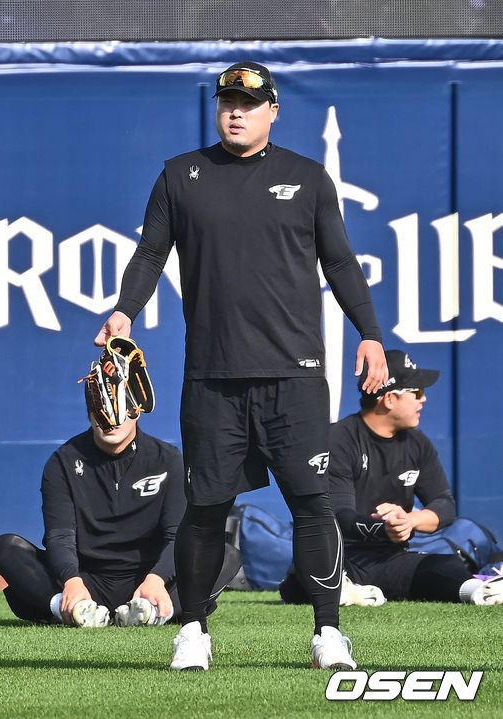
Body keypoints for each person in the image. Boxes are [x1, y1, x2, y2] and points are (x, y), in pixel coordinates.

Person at [94, 61, 388, 670]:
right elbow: (151, 252)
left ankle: (328, 633)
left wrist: (371, 336)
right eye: (228, 100)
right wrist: (125, 311)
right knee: (206, 507)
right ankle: (194, 630)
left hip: (295, 373)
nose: (236, 110)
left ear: (272, 110)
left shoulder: (306, 178)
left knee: (312, 502)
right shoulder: (182, 175)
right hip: (213, 374)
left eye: (250, 103)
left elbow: (340, 262)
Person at [0, 377, 240, 628]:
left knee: (224, 554)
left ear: (138, 410)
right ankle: (70, 610)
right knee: (5, 547)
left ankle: (152, 612)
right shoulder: (63, 461)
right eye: (103, 409)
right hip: (85, 582)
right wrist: (71, 582)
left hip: (148, 583)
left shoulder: (168, 459)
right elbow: (60, 536)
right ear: (90, 412)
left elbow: (176, 535)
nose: (112, 419)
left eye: (121, 408)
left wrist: (157, 578)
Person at [280, 349, 503, 606]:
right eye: (416, 392)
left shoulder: (418, 443)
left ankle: (481, 592)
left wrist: (409, 520)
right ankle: (343, 591)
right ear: (388, 400)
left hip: (391, 559)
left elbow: (444, 505)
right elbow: (339, 515)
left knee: (443, 564)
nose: (424, 399)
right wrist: (383, 527)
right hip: (342, 557)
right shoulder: (338, 439)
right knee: (307, 573)